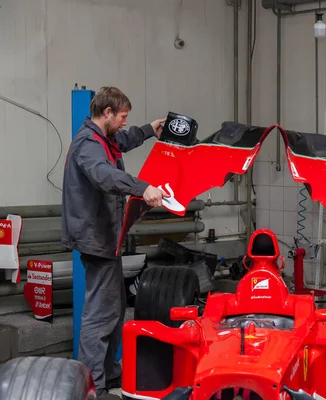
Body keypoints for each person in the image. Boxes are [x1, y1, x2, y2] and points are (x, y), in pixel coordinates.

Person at [61, 87, 168, 399]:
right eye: (122, 117)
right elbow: (103, 175)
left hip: (105, 236)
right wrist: (141, 187)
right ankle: (93, 384)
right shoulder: (87, 145)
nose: (124, 123)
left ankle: (107, 372)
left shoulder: (104, 139)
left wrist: (151, 129)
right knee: (100, 314)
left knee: (114, 308)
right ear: (106, 113)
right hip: (96, 238)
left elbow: (125, 140)